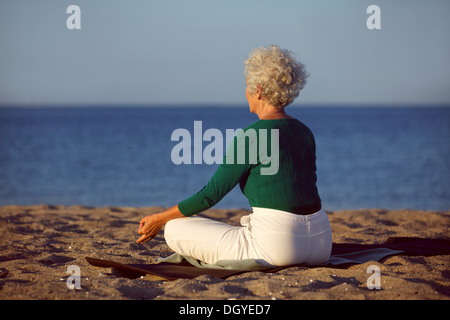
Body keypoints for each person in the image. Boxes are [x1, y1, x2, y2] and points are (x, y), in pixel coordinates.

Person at [137, 45, 332, 267]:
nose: (246, 92)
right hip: (321, 244)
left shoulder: (251, 136)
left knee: (173, 227)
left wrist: (160, 219)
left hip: (277, 248)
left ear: (258, 90)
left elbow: (210, 195)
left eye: (247, 87)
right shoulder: (305, 131)